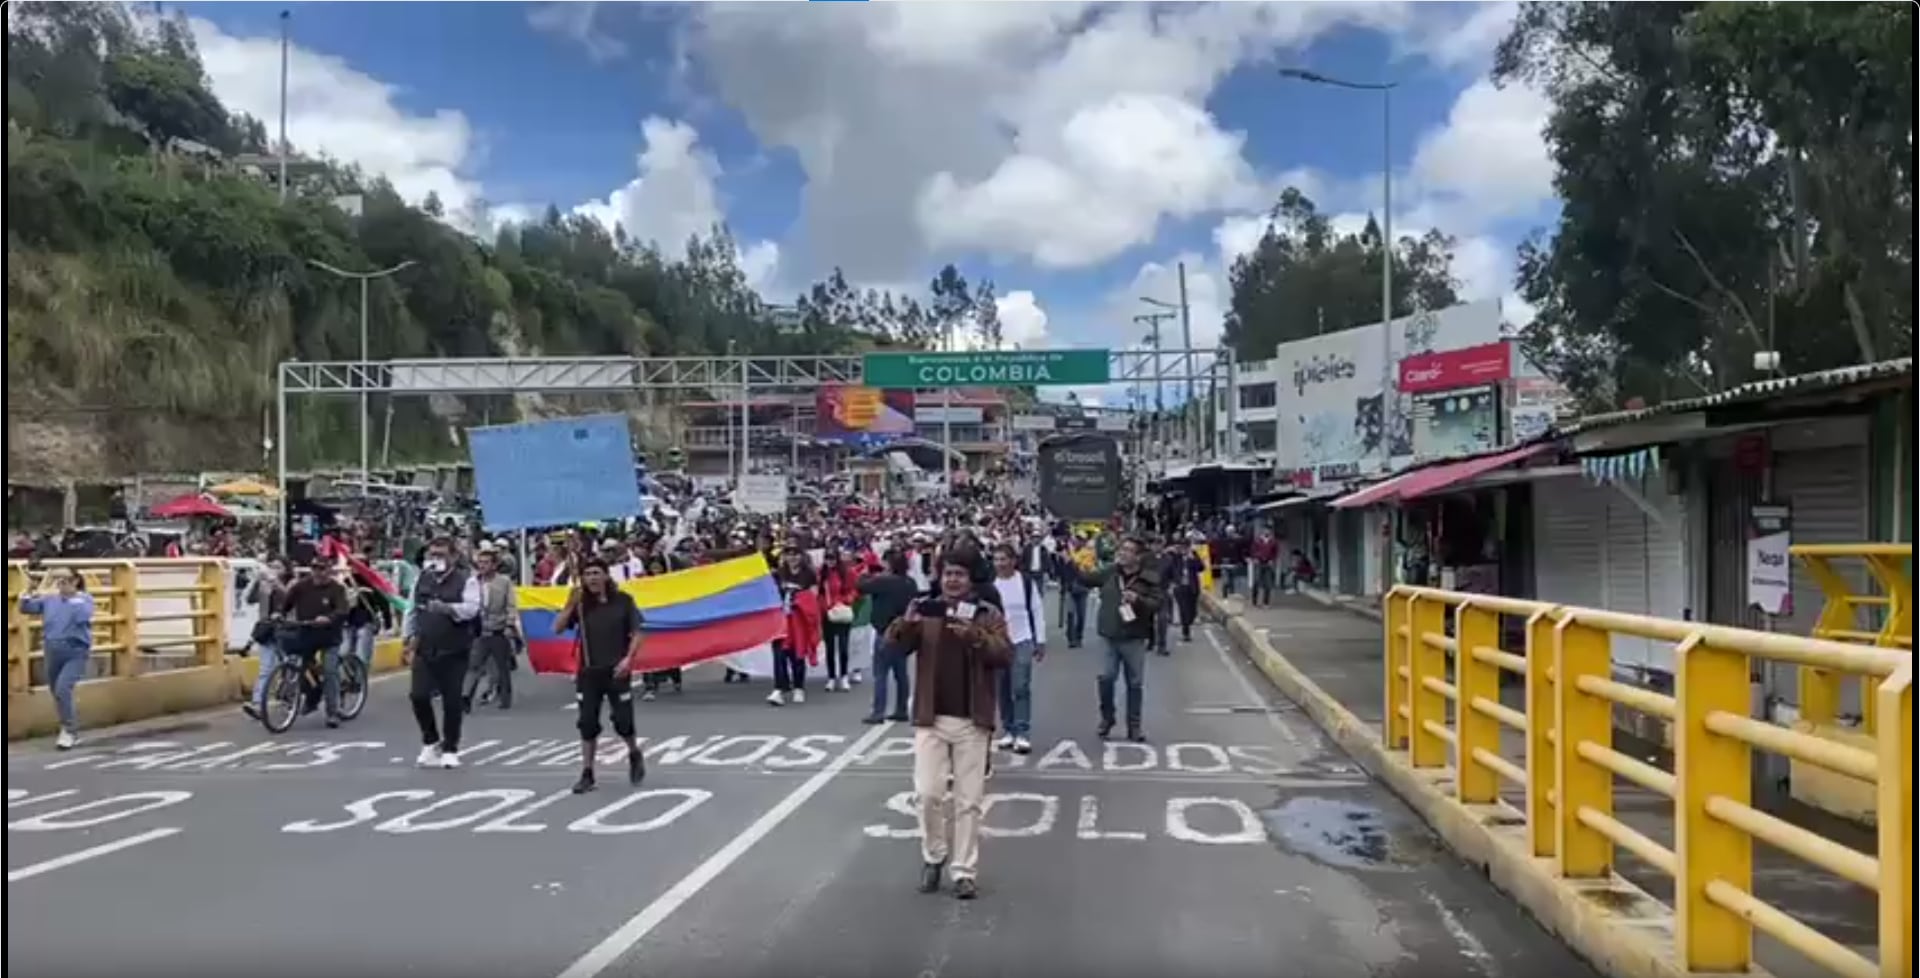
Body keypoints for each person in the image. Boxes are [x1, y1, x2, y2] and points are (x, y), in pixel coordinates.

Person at [884, 555, 1013, 900]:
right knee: (927, 794)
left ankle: (964, 871)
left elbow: (1004, 655)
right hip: (932, 716)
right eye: (948, 574)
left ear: (971, 580)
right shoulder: (927, 610)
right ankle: (933, 855)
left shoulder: (988, 614)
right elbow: (893, 647)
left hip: (973, 719)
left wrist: (975, 637)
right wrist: (905, 624)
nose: (953, 580)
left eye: (960, 574)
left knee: (969, 801)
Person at [551, 558, 647, 794]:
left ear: (606, 576)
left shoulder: (623, 601)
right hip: (588, 672)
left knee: (623, 722)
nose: (592, 578)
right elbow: (558, 628)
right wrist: (569, 605)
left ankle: (634, 752)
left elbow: (638, 633)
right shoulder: (581, 605)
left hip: (617, 670)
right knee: (587, 723)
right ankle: (587, 772)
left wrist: (628, 659)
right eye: (587, 574)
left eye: (596, 573)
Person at [401, 537, 482, 768]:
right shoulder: (422, 579)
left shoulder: (467, 580)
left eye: (441, 554)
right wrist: (408, 639)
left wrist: (447, 608)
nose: (436, 559)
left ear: (454, 557)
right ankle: (430, 741)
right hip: (426, 647)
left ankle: (450, 747)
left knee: (452, 700)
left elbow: (471, 609)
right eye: (432, 554)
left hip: (455, 647)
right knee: (418, 695)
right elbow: (411, 609)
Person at [1074, 537, 1162, 743]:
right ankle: (1107, 718)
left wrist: (1138, 600)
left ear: (1138, 556)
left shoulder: (1148, 578)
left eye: (1128, 550)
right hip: (1109, 635)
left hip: (1134, 637)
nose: (1122, 553)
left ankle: (1134, 726)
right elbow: (1086, 579)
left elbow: (1157, 603)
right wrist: (1071, 563)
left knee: (1135, 683)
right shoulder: (1110, 572)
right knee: (1105, 678)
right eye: (1121, 549)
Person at [19, 567, 96, 749]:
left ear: (76, 580)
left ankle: (69, 731)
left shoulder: (84, 599)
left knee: (63, 688)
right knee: (57, 692)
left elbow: (82, 617)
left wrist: (70, 597)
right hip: (52, 649)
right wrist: (29, 591)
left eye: (66, 579)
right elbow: (26, 608)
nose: (61, 583)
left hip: (75, 650)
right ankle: (69, 722)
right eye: (58, 580)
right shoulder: (50, 599)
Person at [281, 559, 352, 728]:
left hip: (329, 637)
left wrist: (329, 618)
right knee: (303, 669)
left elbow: (343, 610)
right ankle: (312, 698)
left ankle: (332, 712)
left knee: (329, 671)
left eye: (322, 569)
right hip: (306, 634)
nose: (318, 573)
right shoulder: (301, 586)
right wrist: (279, 614)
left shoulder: (337, 589)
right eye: (315, 568)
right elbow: (286, 603)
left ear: (329, 570)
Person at [989, 542, 1044, 755]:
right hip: (998, 641)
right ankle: (1009, 729)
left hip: (1022, 639)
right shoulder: (991, 584)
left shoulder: (1026, 582)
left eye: (1004, 559)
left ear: (1013, 561)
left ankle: (1023, 732)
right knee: (1002, 688)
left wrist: (1040, 641)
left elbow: (1036, 611)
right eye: (997, 559)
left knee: (1020, 687)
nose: (1001, 563)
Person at [858, 549, 919, 724]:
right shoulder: (910, 582)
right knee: (901, 673)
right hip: (904, 631)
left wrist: (865, 572)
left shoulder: (883, 581)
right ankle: (901, 709)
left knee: (881, 674)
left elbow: (861, 586)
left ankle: (878, 711)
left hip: (885, 631)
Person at [463, 547, 519, 712]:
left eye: (486, 563)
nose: (482, 566)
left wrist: (509, 624)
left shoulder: (504, 582)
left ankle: (505, 698)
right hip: (478, 630)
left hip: (498, 629)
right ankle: (465, 697)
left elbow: (511, 605)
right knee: (474, 666)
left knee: (502, 667)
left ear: (494, 565)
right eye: (480, 562)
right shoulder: (473, 582)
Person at [768, 548, 822, 707]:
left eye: (795, 554)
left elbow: (813, 597)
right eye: (789, 554)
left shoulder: (809, 574)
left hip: (799, 621)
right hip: (781, 621)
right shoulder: (779, 573)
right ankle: (779, 688)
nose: (792, 557)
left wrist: (798, 599)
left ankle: (799, 687)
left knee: (797, 655)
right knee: (779, 655)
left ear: (801, 556)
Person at [241, 557, 291, 722]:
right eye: (272, 567)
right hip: (267, 631)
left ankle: (290, 695)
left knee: (289, 666)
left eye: (278, 567)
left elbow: (290, 599)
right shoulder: (264, 585)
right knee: (266, 669)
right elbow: (249, 599)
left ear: (285, 569)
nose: (274, 570)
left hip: (288, 631)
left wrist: (276, 583)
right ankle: (258, 704)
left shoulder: (292, 583)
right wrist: (256, 581)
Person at [818, 549, 861, 691]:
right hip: (827, 613)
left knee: (843, 646)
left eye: (832, 558)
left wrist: (846, 600)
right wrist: (825, 606)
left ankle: (843, 676)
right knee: (829, 648)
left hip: (842, 611)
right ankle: (831, 677)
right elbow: (818, 593)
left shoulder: (846, 573)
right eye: (827, 558)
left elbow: (854, 590)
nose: (830, 561)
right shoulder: (821, 573)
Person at [1250, 528, 1280, 607]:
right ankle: (1254, 600)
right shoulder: (1257, 540)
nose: (1267, 532)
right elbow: (1253, 551)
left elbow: (1275, 552)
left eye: (1268, 531)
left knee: (1268, 584)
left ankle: (1266, 602)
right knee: (1256, 582)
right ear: (1262, 531)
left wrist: (1272, 560)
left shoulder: (1273, 542)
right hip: (1259, 563)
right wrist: (1255, 558)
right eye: (1265, 531)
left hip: (1268, 564)